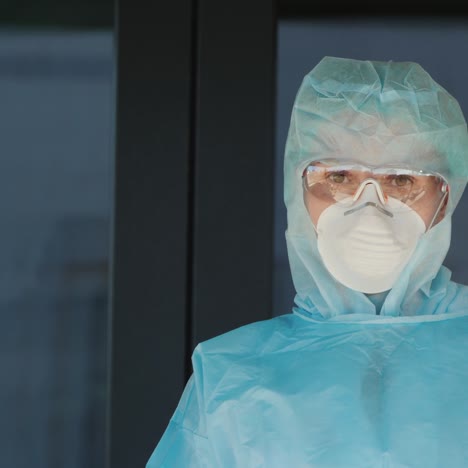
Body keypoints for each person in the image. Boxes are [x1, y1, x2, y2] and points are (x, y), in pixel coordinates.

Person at [146, 57, 468, 467]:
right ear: (297, 191)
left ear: (445, 200)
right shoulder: (231, 376)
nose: (369, 207)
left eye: (401, 180)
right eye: (337, 178)